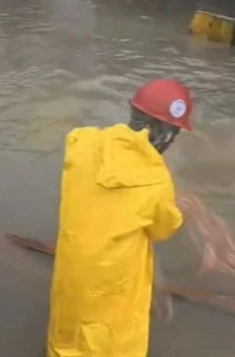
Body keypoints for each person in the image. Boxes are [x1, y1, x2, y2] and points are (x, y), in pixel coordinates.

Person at [46, 78, 191, 357]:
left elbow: (79, 141)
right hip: (112, 284)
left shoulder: (83, 143)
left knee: (68, 328)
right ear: (165, 135)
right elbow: (164, 229)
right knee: (112, 337)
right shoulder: (155, 181)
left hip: (73, 270)